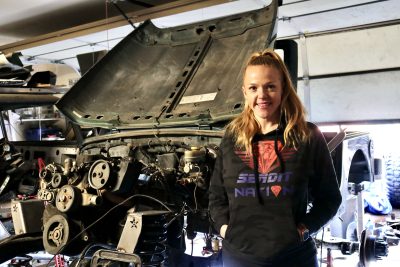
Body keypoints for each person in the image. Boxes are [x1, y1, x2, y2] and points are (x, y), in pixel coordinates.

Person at [208, 49, 342, 267]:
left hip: (293, 257)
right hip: (239, 258)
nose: (261, 95)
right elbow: (216, 196)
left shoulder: (307, 136)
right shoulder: (232, 137)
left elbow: (329, 198)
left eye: (270, 86)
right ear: (244, 92)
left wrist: (304, 229)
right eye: (253, 88)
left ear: (283, 90)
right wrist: (225, 229)